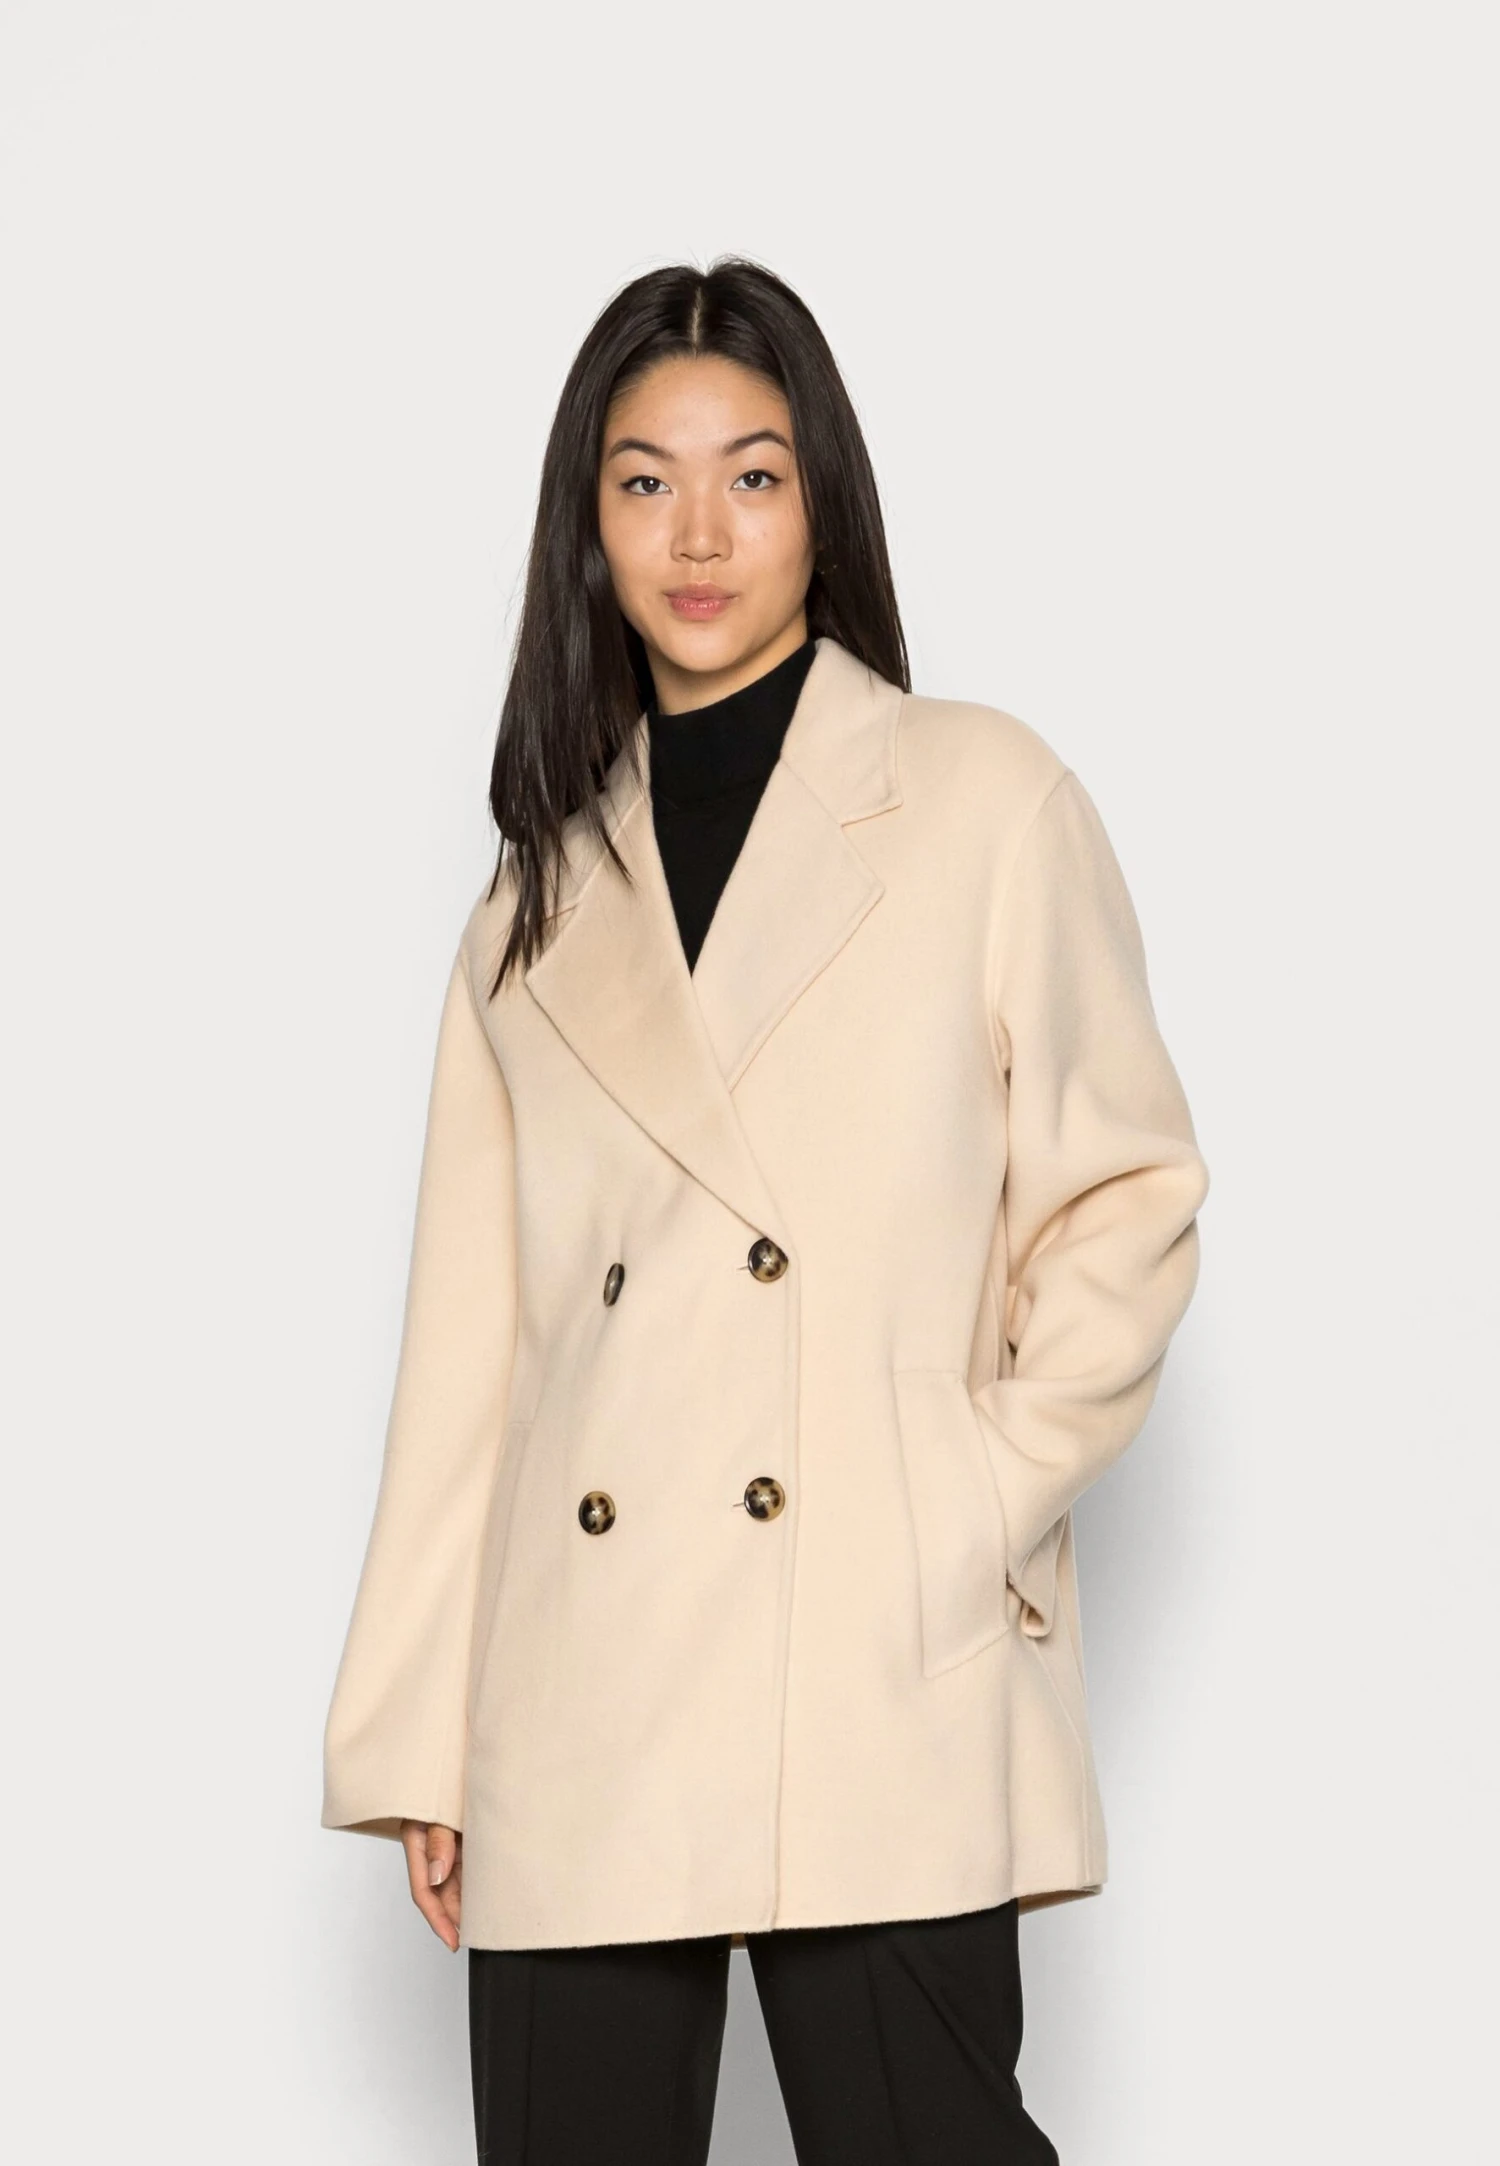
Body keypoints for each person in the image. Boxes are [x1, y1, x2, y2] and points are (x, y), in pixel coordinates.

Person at [320, 255, 1210, 2164]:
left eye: (754, 475)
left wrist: (959, 1498)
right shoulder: (531, 905)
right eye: (644, 481)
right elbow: (471, 1357)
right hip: (584, 1674)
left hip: (874, 1649)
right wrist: (417, 1724)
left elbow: (1125, 1201)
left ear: (825, 505)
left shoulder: (982, 797)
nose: (700, 534)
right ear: (589, 527)